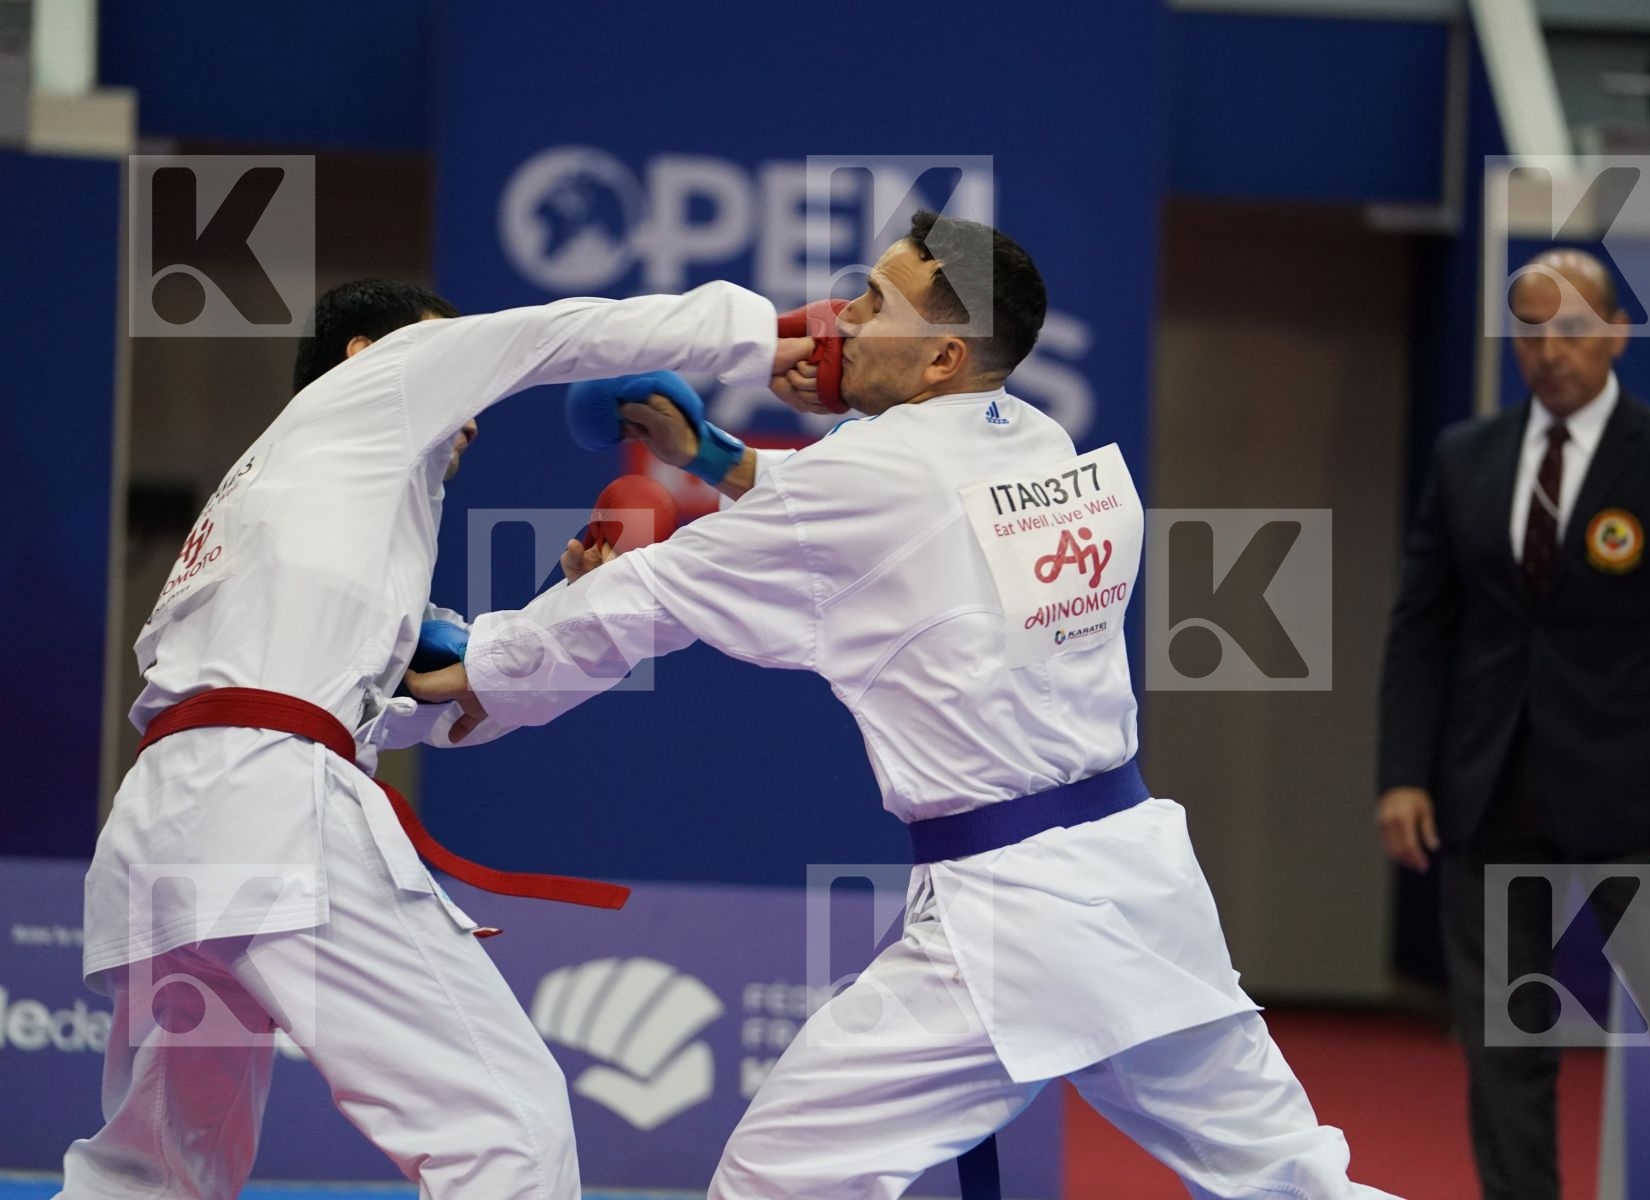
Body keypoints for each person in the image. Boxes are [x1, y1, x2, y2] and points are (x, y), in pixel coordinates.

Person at [410, 211, 1395, 1200]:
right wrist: (712, 452)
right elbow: (874, 514)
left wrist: (486, 670)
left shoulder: (874, 474)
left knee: (779, 1180)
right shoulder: (1041, 441)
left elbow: (653, 591)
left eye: (873, 302)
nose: (840, 319)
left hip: (1010, 921)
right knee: (1293, 1180)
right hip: (1139, 886)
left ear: (942, 358)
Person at [59, 277, 812, 1199]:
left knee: (153, 1171)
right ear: (364, 355)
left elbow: (451, 694)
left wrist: (569, 611)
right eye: (456, 367)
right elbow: (558, 333)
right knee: (504, 1130)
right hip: (267, 812)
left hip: (161, 838)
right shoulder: (374, 389)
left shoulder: (291, 508)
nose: (476, 414)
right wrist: (759, 337)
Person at [1375, 249, 1650, 1199]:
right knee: (1507, 1041)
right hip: (1491, 787)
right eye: (1531, 331)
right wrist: (1402, 772)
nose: (1549, 351)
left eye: (1571, 329)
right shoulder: (1465, 457)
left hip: (1633, 799)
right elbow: (1421, 626)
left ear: (1616, 332)